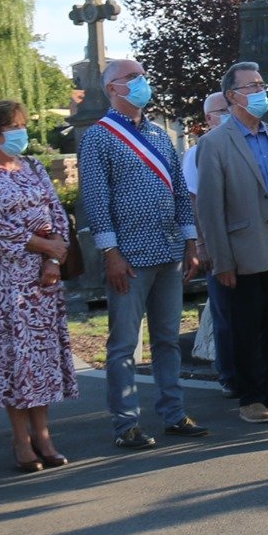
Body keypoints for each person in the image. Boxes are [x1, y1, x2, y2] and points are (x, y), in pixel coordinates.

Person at [78, 58, 210, 450]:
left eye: (141, 76)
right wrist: (110, 253)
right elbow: (96, 201)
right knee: (122, 345)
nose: (140, 82)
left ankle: (174, 413)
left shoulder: (157, 134)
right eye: (131, 78)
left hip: (169, 251)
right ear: (112, 89)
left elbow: (179, 190)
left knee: (167, 339)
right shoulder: (98, 137)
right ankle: (126, 423)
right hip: (129, 257)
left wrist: (190, 243)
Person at [0, 101, 76, 472]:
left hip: (44, 280)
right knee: (15, 360)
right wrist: (43, 246)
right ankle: (21, 439)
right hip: (5, 283)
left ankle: (44, 434)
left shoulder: (34, 166)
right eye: (15, 126)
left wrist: (54, 258)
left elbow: (56, 213)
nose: (22, 132)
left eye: (24, 125)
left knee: (40, 359)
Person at [195, 63, 268, 425]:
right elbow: (210, 209)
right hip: (241, 249)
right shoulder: (214, 143)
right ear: (232, 96)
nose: (261, 91)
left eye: (262, 84)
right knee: (245, 325)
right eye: (252, 86)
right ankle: (251, 397)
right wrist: (220, 260)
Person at [182, 91, 236, 396]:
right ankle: (228, 375)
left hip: (248, 244)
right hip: (218, 246)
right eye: (220, 110)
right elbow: (194, 202)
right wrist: (201, 246)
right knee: (224, 314)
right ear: (207, 119)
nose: (227, 113)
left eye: (230, 107)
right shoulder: (199, 152)